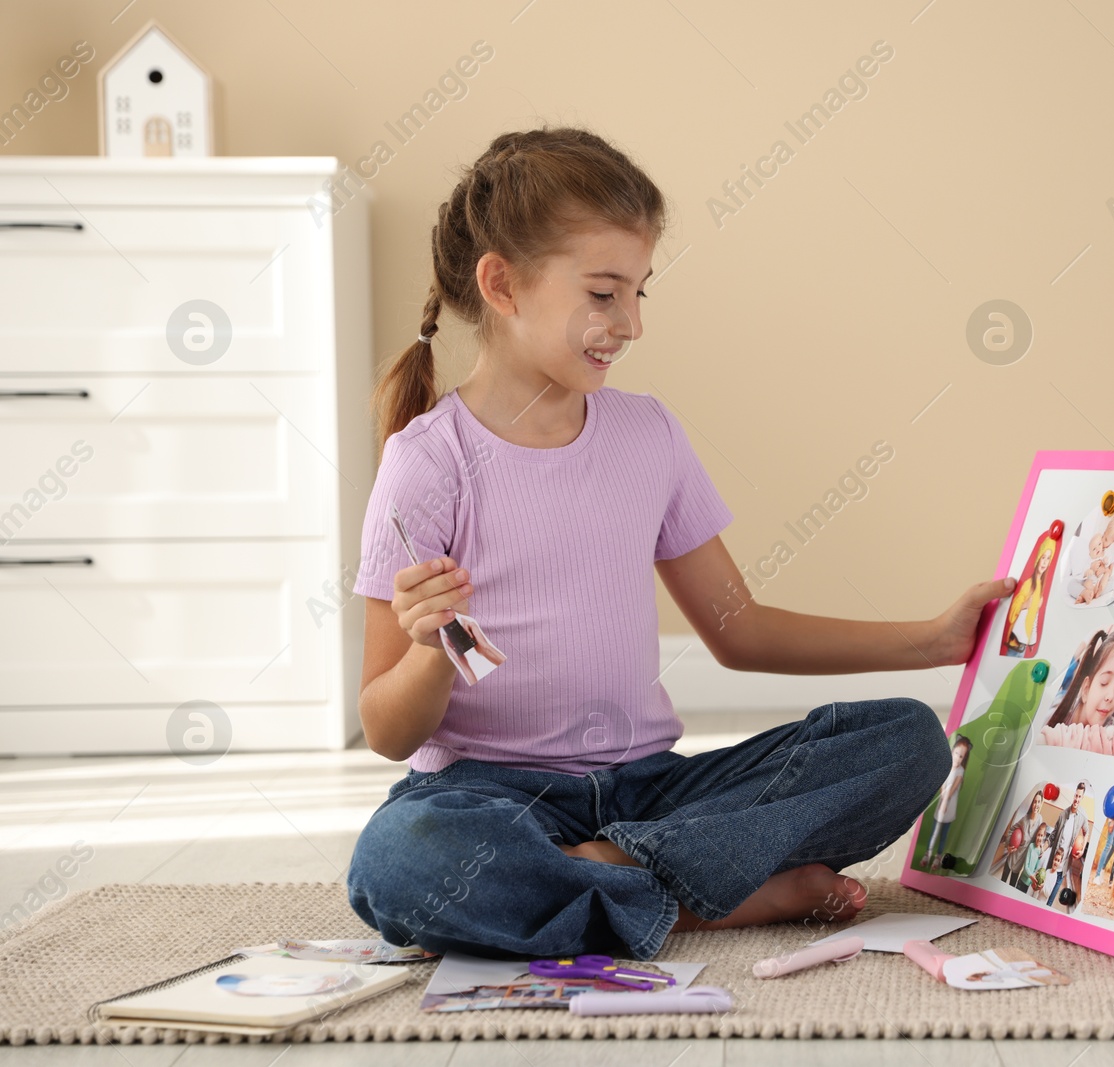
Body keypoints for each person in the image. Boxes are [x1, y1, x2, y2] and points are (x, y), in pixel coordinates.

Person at [344, 128, 1013, 962]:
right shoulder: (428, 462)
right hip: (492, 794)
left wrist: (931, 640)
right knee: (399, 861)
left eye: (639, 294)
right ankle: (711, 899)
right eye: (602, 293)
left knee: (909, 740)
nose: (628, 324)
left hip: (654, 789)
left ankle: (610, 873)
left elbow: (739, 631)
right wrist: (432, 652)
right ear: (501, 284)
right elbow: (386, 730)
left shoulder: (647, 434)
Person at [920, 736, 972, 870]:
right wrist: (942, 797)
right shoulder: (947, 766)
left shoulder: (960, 772)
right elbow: (943, 785)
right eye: (956, 754)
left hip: (949, 808)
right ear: (952, 751)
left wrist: (945, 801)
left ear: (964, 759)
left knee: (943, 835)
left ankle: (938, 857)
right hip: (941, 806)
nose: (957, 758)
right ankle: (927, 854)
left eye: (961, 757)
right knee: (934, 831)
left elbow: (952, 790)